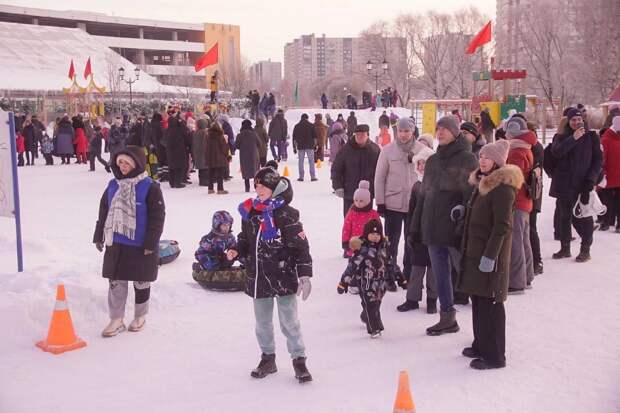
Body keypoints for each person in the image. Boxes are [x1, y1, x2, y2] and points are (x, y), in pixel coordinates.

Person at [230, 167, 313, 383]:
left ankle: (299, 359)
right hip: (259, 278)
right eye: (256, 185)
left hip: (283, 276)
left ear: (274, 187)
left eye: (263, 185)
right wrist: (237, 249)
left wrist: (304, 275)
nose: (258, 189)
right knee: (263, 323)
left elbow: (301, 247)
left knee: (289, 321)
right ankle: (268, 358)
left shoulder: (286, 214)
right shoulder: (250, 212)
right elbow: (245, 239)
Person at [410, 116, 478, 336]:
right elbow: (424, 195)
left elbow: (470, 196)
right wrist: (416, 226)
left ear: (455, 132)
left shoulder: (467, 159)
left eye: (445, 129)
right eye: (438, 129)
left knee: (468, 275)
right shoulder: (433, 160)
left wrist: (463, 224)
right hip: (432, 226)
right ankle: (447, 317)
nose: (440, 133)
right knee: (440, 276)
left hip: (454, 227)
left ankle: (484, 318)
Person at [457, 139, 520, 370]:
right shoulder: (482, 182)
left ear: (498, 162)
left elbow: (502, 225)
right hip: (475, 251)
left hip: (489, 255)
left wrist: (490, 256)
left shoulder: (502, 187)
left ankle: (495, 355)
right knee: (478, 299)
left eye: (487, 157)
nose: (482, 160)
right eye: (481, 156)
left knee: (491, 303)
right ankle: (481, 343)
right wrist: (464, 211)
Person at [93, 145, 166, 337]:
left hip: (141, 244)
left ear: (137, 164)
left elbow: (158, 217)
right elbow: (104, 211)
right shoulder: (113, 185)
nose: (123, 167)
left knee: (141, 282)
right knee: (116, 282)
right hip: (116, 242)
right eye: (120, 163)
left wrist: (151, 243)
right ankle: (116, 319)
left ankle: (140, 315)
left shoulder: (150, 187)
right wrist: (99, 234)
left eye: (127, 163)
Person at [375, 117, 425, 288]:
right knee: (391, 243)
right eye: (400, 131)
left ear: (413, 131)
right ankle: (389, 275)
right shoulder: (387, 151)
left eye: (407, 131)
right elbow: (380, 177)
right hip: (393, 203)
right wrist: (380, 202)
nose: (403, 135)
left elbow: (428, 177)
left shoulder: (422, 150)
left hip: (414, 204)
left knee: (411, 242)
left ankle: (407, 275)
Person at [549, 108, 602, 262]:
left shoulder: (592, 137)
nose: (577, 122)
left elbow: (598, 161)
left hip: (583, 183)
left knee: (584, 217)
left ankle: (585, 249)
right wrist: (573, 138)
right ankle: (565, 248)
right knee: (565, 217)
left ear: (583, 120)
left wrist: (591, 180)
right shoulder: (560, 137)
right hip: (564, 184)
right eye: (573, 120)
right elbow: (557, 153)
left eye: (579, 120)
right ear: (568, 121)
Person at [338, 219, 404, 338]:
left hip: (380, 285)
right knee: (371, 305)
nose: (375, 237)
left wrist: (401, 279)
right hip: (366, 283)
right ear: (366, 234)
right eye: (372, 234)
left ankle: (365, 316)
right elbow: (351, 267)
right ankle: (375, 329)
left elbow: (392, 265)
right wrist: (343, 283)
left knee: (375, 304)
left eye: (378, 234)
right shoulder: (362, 250)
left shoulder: (384, 249)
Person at [401, 146, 437, 313]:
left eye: (425, 163)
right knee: (416, 268)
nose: (422, 166)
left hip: (434, 235)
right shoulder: (416, 185)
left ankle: (432, 299)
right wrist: (409, 231)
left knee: (433, 270)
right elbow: (412, 211)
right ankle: (412, 298)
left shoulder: (438, 184)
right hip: (418, 234)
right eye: (419, 163)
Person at [504, 116, 536, 293]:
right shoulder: (526, 148)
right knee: (524, 240)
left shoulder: (516, 151)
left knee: (515, 242)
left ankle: (516, 282)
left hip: (517, 201)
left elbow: (512, 180)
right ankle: (527, 276)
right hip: (526, 201)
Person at [331, 124, 381, 217]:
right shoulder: (346, 149)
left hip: (367, 193)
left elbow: (380, 171)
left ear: (368, 135)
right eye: (357, 134)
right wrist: (337, 186)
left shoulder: (375, 150)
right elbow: (336, 168)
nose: (359, 137)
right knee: (349, 219)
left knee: (366, 221)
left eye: (362, 135)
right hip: (350, 192)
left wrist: (378, 189)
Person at [341, 180, 380, 258]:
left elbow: (378, 229)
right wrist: (345, 242)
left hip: (369, 246)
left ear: (367, 201)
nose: (358, 203)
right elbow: (346, 228)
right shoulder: (352, 213)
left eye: (361, 201)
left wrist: (379, 240)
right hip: (354, 246)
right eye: (356, 200)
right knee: (354, 265)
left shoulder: (373, 214)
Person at [600, 116, 620, 232]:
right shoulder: (606, 140)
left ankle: (608, 222)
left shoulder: (606, 139)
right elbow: (602, 158)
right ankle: (607, 221)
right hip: (609, 176)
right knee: (608, 201)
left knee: (610, 201)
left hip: (612, 176)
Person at [166, 110, 191, 189]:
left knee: (172, 166)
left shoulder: (168, 130)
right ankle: (178, 182)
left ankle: (172, 182)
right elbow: (186, 137)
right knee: (179, 166)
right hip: (179, 149)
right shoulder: (179, 128)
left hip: (170, 150)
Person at [204, 121, 230, 194]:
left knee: (210, 174)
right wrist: (227, 155)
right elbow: (224, 148)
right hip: (220, 158)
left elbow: (205, 148)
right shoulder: (220, 136)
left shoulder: (207, 136)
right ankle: (220, 189)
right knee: (220, 175)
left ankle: (210, 189)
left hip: (210, 158)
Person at [236, 119, 261, 192]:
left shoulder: (240, 135)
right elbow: (259, 144)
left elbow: (236, 145)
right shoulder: (254, 134)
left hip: (244, 155)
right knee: (255, 171)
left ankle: (247, 188)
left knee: (246, 171)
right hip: (254, 155)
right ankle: (257, 187)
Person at [292, 113, 318, 182]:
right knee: (311, 161)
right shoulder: (311, 125)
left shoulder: (297, 126)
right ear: (307, 118)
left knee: (300, 161)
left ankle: (301, 177)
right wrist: (315, 145)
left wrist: (294, 147)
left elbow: (294, 138)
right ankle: (313, 177)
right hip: (310, 146)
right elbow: (315, 136)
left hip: (300, 146)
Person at [192, 118, 209, 186]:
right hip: (204, 152)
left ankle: (201, 180)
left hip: (197, 152)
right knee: (205, 168)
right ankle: (204, 181)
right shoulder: (205, 132)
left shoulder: (196, 132)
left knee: (201, 168)